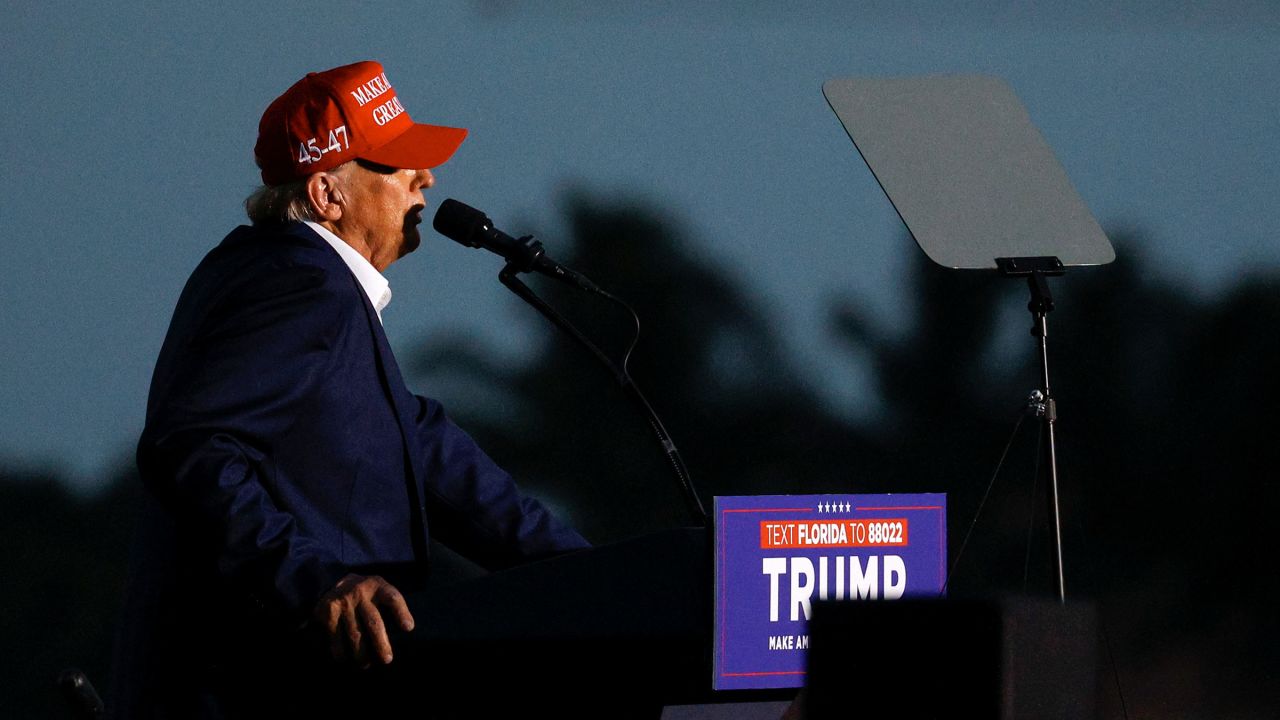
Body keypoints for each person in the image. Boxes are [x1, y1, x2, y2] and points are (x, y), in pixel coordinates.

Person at [112, 60, 589, 718]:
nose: (427, 179)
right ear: (328, 195)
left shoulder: (295, 285)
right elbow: (191, 445)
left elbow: (433, 462)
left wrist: (605, 577)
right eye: (397, 166)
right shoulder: (301, 287)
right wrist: (314, 582)